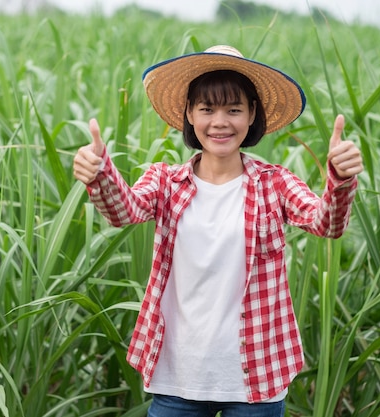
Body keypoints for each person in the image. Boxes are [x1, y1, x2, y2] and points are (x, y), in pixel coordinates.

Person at [73, 45, 363, 417]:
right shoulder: (166, 182)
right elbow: (124, 210)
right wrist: (99, 172)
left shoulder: (274, 185)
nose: (220, 122)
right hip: (178, 378)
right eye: (207, 109)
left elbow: (326, 222)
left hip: (254, 378)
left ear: (252, 114)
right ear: (190, 114)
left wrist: (339, 178)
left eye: (234, 109)